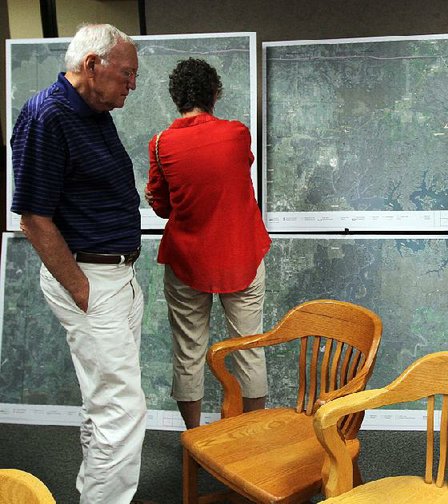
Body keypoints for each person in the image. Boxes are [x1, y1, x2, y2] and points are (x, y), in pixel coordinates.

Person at [10, 24, 148, 503]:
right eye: (127, 75)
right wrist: (82, 288)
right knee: (123, 410)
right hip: (91, 279)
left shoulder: (93, 109)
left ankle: (94, 493)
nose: (131, 87)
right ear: (92, 66)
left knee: (105, 403)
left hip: (116, 276)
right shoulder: (46, 115)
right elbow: (34, 218)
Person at [146, 58, 271, 430]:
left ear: (175, 97)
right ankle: (251, 439)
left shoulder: (160, 145)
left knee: (189, 351)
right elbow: (238, 172)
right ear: (215, 93)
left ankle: (195, 439)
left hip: (188, 260)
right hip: (241, 255)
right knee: (249, 348)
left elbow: (160, 205)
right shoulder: (237, 133)